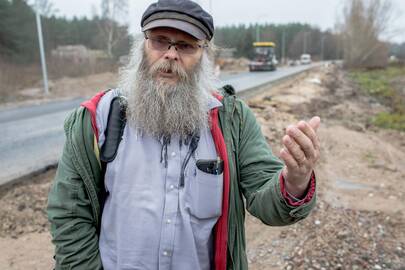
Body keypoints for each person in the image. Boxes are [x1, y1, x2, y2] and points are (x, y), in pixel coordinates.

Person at [47, 0, 320, 269]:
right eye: (160, 41)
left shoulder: (233, 121)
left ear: (204, 54)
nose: (170, 54)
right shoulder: (99, 117)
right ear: (142, 46)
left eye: (186, 45)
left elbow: (265, 198)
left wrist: (295, 181)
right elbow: (69, 212)